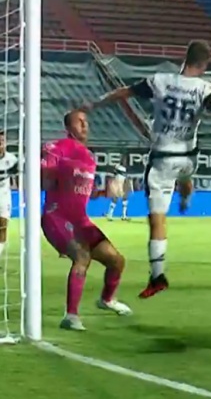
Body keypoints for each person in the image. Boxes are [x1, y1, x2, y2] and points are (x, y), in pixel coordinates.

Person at [83, 40, 211, 298]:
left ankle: (157, 277)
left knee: (157, 219)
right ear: (204, 65)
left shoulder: (160, 81)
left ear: (184, 58)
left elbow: (125, 92)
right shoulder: (205, 88)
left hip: (163, 159)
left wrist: (96, 103)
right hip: (189, 157)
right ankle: (186, 194)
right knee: (186, 175)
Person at [41, 110, 131, 331]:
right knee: (82, 256)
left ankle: (107, 300)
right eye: (79, 121)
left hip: (80, 221)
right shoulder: (55, 148)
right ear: (68, 127)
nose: (85, 125)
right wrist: (53, 172)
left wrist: (105, 192)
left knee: (117, 261)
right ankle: (71, 316)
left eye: (86, 121)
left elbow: (85, 192)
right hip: (57, 216)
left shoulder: (88, 156)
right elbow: (44, 180)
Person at [0, 131, 18, 259]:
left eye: (2, 141)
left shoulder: (12, 159)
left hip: (4, 197)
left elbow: (16, 174)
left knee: (2, 227)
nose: (1, 143)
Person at [105, 154, 131, 221]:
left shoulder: (125, 168)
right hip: (117, 184)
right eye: (123, 159)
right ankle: (109, 215)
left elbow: (125, 177)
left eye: (125, 160)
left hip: (122, 185)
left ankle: (124, 215)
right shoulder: (117, 166)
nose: (124, 161)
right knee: (115, 199)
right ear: (121, 160)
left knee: (125, 199)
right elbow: (114, 175)